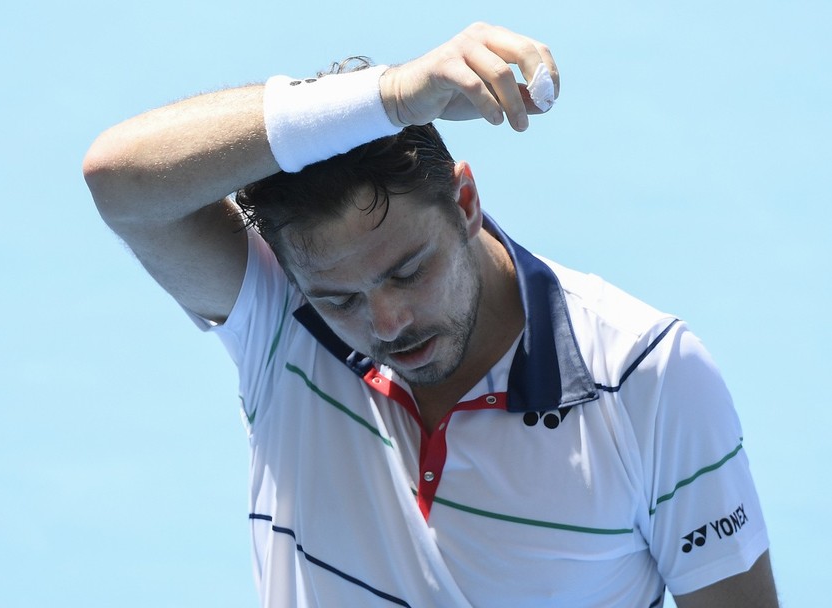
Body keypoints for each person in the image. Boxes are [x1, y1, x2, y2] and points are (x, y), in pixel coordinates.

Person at [83, 22, 777, 608]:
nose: (387, 323)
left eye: (408, 270)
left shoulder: (648, 377)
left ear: (466, 203)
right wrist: (389, 95)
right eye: (339, 299)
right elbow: (119, 178)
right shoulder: (277, 317)